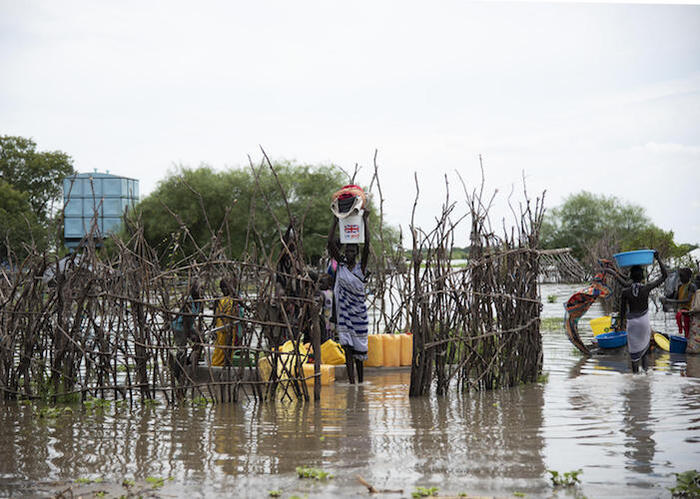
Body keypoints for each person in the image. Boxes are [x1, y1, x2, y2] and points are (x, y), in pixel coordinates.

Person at [327, 210, 370, 384]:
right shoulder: (342, 266)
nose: (350, 253)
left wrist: (365, 221)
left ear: (357, 253)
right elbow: (330, 242)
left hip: (359, 314)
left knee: (359, 351)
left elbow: (367, 244)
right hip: (344, 314)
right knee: (348, 349)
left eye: (353, 250)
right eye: (348, 250)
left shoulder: (361, 268)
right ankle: (353, 385)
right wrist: (335, 220)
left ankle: (360, 382)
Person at [620, 251, 668, 372]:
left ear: (631, 277)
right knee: (645, 350)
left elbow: (622, 311)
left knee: (634, 352)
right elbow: (664, 276)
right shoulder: (646, 288)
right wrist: (658, 258)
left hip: (632, 323)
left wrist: (620, 325)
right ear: (642, 277)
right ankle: (646, 375)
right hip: (643, 322)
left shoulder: (625, 291)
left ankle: (635, 377)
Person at [171, 279, 203, 381]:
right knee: (181, 350)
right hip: (180, 327)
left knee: (201, 339)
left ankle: (189, 360)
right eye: (199, 288)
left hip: (189, 326)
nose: (201, 291)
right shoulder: (189, 300)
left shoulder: (198, 301)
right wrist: (191, 334)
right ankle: (176, 375)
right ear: (194, 289)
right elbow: (187, 320)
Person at [211, 277, 243, 367]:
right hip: (222, 329)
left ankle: (225, 365)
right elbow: (215, 315)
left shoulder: (232, 300)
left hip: (229, 329)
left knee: (228, 350)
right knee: (220, 351)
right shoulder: (223, 300)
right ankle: (217, 365)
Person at [662, 268, 697, 338]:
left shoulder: (691, 286)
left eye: (682, 276)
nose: (680, 278)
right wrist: (665, 299)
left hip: (690, 311)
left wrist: (670, 301)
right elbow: (674, 297)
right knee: (686, 330)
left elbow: (688, 300)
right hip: (682, 311)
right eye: (680, 276)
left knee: (689, 330)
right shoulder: (680, 286)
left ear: (689, 276)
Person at [317, 273, 335, 343]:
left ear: (329, 284)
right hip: (328, 322)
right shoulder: (331, 293)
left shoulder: (323, 294)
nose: (320, 285)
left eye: (322, 283)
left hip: (326, 321)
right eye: (319, 282)